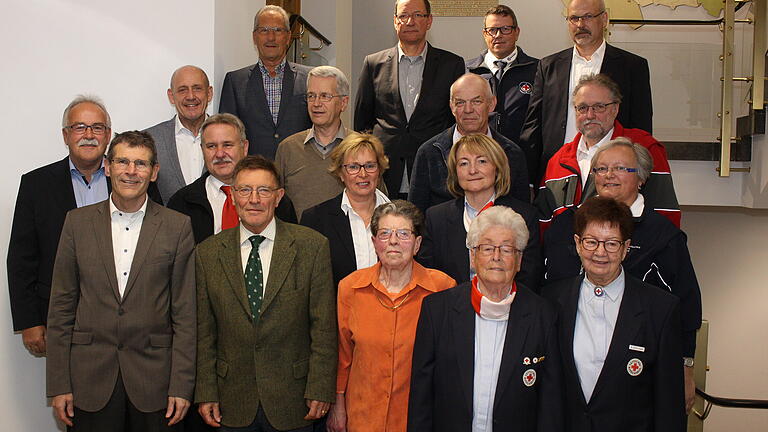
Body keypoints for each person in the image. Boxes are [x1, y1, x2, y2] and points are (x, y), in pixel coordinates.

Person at [46, 131, 196, 431]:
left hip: (156, 382)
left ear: (154, 172)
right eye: (123, 161)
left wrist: (182, 385)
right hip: (89, 381)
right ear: (107, 166)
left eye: (140, 164)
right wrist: (58, 384)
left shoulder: (177, 226)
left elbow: (185, 313)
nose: (131, 171)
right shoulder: (77, 223)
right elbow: (61, 309)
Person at [543, 138, 701, 412]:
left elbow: (685, 304)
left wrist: (685, 367)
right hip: (565, 374)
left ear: (641, 178)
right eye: (601, 169)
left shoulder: (663, 236)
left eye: (619, 168)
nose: (608, 176)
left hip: (633, 376)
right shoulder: (563, 224)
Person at [7, 96, 159, 357]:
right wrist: (29, 321)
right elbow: (22, 258)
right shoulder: (36, 185)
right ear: (66, 135)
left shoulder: (132, 178)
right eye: (79, 127)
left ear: (108, 135)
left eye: (97, 128)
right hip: (58, 314)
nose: (88, 135)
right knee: (69, 392)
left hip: (125, 316)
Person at [195, 155, 336, 431]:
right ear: (233, 196)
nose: (254, 199)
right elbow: (204, 331)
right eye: (245, 190)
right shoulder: (208, 253)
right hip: (231, 400)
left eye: (264, 191)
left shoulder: (312, 246)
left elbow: (324, 328)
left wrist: (320, 387)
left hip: (294, 400)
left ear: (279, 196)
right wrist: (206, 392)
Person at [408, 206, 563, 431]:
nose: (496, 257)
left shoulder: (543, 315)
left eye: (507, 249)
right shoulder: (437, 310)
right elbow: (421, 397)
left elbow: (550, 404)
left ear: (519, 260)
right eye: (487, 248)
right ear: (473, 256)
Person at [541, 197, 685, 431]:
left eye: (611, 243)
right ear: (578, 244)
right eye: (591, 242)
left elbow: (669, 405)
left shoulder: (660, 309)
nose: (600, 252)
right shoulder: (550, 301)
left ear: (626, 248)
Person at [328, 200, 455, 432]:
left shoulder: (443, 289)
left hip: (419, 419)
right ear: (374, 242)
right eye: (385, 233)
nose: (393, 241)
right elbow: (343, 356)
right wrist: (338, 407)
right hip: (362, 417)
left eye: (403, 234)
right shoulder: (350, 287)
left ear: (417, 244)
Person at [519, 0, 652, 183]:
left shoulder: (632, 67)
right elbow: (533, 127)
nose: (580, 24)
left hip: (612, 175)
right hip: (558, 173)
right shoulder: (548, 66)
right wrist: (530, 181)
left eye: (588, 16)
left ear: (604, 19)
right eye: (574, 18)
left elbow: (640, 127)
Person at [536, 74, 679, 230]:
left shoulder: (643, 147)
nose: (590, 115)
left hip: (627, 251)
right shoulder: (558, 161)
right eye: (582, 108)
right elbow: (544, 222)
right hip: (566, 252)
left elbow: (665, 215)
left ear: (615, 109)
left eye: (599, 107)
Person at [354, 0, 465, 196]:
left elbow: (455, 121)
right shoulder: (373, 63)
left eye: (418, 15)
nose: (410, 21)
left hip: (435, 170)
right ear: (395, 21)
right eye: (403, 16)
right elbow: (363, 122)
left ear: (429, 21)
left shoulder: (452, 64)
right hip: (384, 173)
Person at [417, 133, 542, 289]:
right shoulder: (436, 218)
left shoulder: (524, 216)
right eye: (464, 163)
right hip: (450, 308)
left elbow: (530, 277)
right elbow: (429, 276)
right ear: (455, 172)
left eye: (482, 161)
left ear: (497, 168)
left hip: (508, 309)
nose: (473, 170)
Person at [168, 113, 296, 244]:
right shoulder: (181, 203)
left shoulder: (275, 201)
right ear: (202, 150)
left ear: (244, 147)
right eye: (211, 146)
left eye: (227, 145)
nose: (219, 153)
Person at [409, 73, 529, 212]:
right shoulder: (429, 152)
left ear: (492, 104)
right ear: (451, 107)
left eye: (476, 101)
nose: (468, 110)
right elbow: (415, 215)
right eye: (460, 103)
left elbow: (523, 213)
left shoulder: (511, 153)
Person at [219, 5, 312, 159]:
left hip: (299, 173)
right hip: (252, 175)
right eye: (264, 30)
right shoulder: (235, 82)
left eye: (277, 30)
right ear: (254, 37)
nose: (271, 37)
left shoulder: (310, 78)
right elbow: (227, 134)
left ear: (288, 37)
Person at [300, 133, 391, 287]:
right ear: (341, 173)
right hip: (338, 310)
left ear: (379, 170)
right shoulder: (315, 219)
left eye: (370, 166)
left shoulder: (401, 217)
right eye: (353, 167)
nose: (363, 174)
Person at [275, 66, 352, 219]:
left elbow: (378, 203)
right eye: (311, 96)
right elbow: (274, 202)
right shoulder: (288, 148)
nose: (316, 103)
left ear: (343, 103)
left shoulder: (360, 148)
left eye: (325, 96)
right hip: (298, 241)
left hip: (349, 241)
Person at [466, 5, 538, 145]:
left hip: (522, 158)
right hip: (478, 154)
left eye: (505, 29)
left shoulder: (538, 70)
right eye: (492, 30)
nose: (498, 35)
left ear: (516, 32)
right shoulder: (468, 71)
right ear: (485, 34)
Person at [144, 65, 213, 203]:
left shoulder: (228, 139)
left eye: (197, 88)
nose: (191, 96)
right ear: (171, 96)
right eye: (182, 90)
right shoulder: (149, 140)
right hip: (167, 224)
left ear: (209, 93)